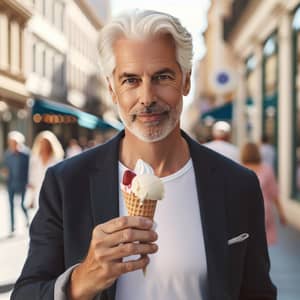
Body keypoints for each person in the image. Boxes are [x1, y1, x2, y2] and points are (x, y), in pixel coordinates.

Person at [12, 9, 276, 300]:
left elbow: (258, 293)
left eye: (162, 76)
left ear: (186, 80)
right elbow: (25, 293)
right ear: (112, 89)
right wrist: (81, 279)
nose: (147, 97)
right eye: (130, 80)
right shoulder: (66, 183)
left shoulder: (238, 184)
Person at [241, 142, 286, 245]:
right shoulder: (267, 169)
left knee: (247, 242)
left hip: (244, 210)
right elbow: (274, 194)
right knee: (262, 243)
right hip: (264, 210)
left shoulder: (238, 168)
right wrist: (282, 214)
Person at [27, 131, 64, 211]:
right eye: (42, 143)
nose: (44, 146)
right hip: (38, 191)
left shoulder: (56, 159)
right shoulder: (34, 159)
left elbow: (60, 176)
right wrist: (31, 198)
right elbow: (32, 178)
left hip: (53, 191)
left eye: (46, 143)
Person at [2, 131, 29, 235]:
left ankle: (27, 220)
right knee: (11, 206)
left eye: (14, 142)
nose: (12, 144)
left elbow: (29, 169)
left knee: (23, 204)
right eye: (10, 142)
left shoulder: (26, 154)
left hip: (23, 183)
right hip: (11, 184)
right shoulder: (8, 154)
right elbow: (5, 168)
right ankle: (12, 227)